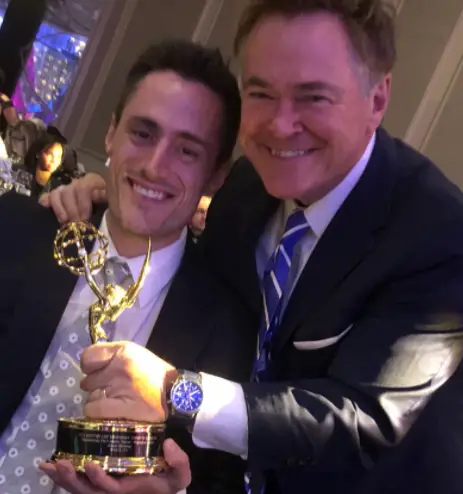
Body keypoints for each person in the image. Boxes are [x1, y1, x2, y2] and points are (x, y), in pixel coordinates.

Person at [41, 1, 463, 493]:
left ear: (377, 98)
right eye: (260, 93)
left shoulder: (437, 232)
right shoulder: (245, 191)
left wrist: (176, 390)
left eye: (313, 97)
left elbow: (362, 419)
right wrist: (108, 193)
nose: (280, 125)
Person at [0, 40, 254, 494]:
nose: (155, 166)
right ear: (111, 131)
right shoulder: (18, 230)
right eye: (142, 133)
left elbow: (216, 481)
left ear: (216, 175)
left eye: (187, 151)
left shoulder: (225, 326)